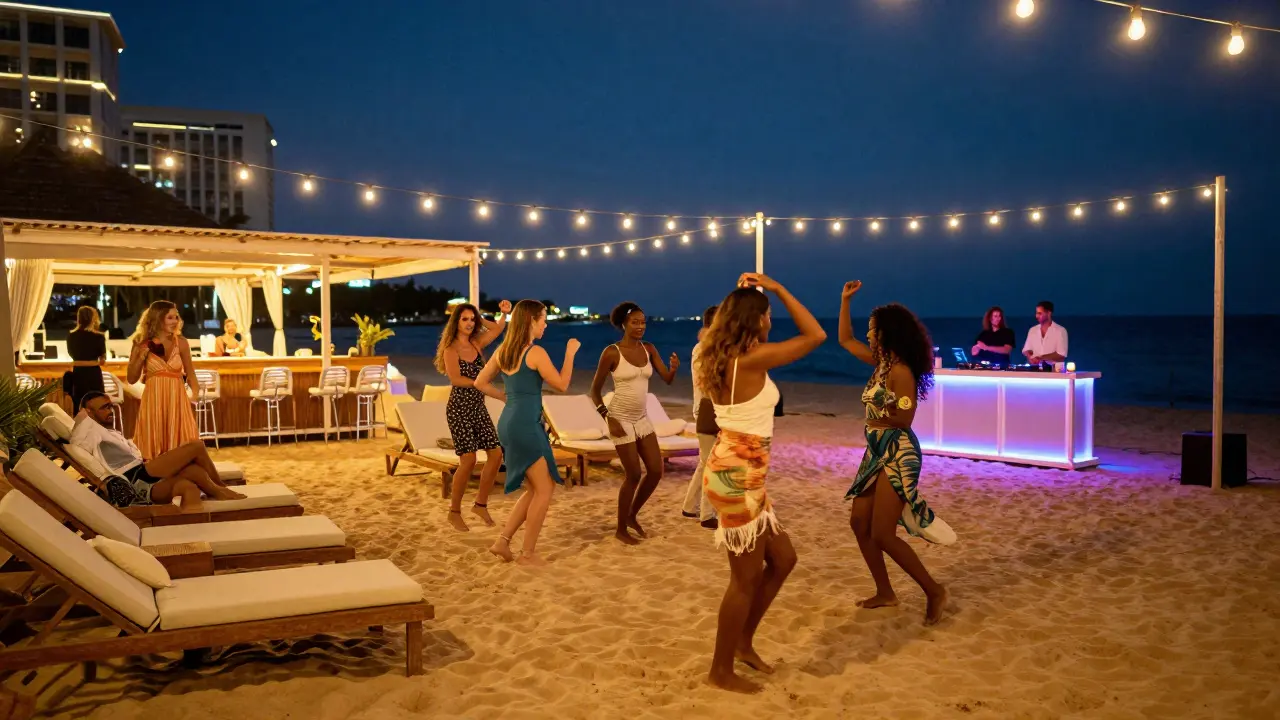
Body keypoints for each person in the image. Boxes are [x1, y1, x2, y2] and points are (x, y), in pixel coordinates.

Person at [698, 273, 825, 694]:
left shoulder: (716, 354)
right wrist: (779, 289)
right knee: (744, 579)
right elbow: (815, 334)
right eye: (768, 314)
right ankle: (720, 670)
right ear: (757, 321)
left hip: (739, 471)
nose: (772, 319)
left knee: (784, 560)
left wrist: (745, 297)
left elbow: (716, 329)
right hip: (738, 478)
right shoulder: (750, 360)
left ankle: (742, 643)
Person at [838, 281, 952, 626]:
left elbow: (904, 417)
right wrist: (845, 302)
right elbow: (845, 340)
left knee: (883, 533)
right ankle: (885, 591)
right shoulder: (881, 363)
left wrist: (877, 406)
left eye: (873, 331)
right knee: (859, 523)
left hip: (897, 452)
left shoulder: (900, 371)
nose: (869, 336)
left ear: (888, 334)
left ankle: (934, 590)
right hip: (875, 451)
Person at [474, 300, 580, 567]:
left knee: (535, 487)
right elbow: (562, 385)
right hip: (525, 424)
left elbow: (480, 382)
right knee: (545, 488)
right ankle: (528, 554)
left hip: (509, 420)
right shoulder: (535, 353)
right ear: (532, 320)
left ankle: (503, 542)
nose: (545, 324)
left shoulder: (504, 351)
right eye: (543, 319)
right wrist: (570, 353)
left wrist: (507, 398)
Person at [588, 302, 679, 544]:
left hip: (642, 418)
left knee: (656, 471)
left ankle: (631, 515)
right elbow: (594, 391)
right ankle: (620, 528)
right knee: (633, 475)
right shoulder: (611, 353)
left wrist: (673, 369)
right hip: (619, 418)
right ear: (624, 324)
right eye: (635, 322)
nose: (640, 326)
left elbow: (667, 380)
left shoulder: (648, 349)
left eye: (643, 322)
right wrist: (608, 417)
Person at [71, 391, 244, 511]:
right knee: (196, 446)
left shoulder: (108, 432)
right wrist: (82, 416)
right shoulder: (90, 431)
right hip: (135, 476)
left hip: (143, 475)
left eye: (110, 406)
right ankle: (221, 488)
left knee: (194, 473)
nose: (110, 411)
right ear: (88, 412)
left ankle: (211, 503)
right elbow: (77, 442)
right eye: (103, 408)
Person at [434, 299, 512, 532]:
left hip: (478, 408)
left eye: (472, 320)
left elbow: (498, 329)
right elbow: (456, 379)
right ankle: (454, 512)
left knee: (496, 455)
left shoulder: (477, 344)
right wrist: (483, 385)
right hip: (459, 408)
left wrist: (500, 314)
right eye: (464, 319)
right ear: (456, 322)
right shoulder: (451, 349)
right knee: (468, 460)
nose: (469, 323)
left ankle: (480, 504)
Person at [127, 300, 200, 460]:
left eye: (176, 317)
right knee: (153, 443)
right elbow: (131, 379)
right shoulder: (140, 342)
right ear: (158, 318)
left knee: (183, 444)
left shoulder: (181, 342)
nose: (175, 321)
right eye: (170, 318)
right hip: (153, 401)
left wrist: (193, 395)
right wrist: (141, 356)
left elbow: (191, 373)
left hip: (177, 400)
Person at [681, 304, 720, 529]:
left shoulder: (705, 347)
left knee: (704, 461)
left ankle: (689, 505)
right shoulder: (706, 349)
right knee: (710, 464)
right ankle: (707, 514)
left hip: (707, 408)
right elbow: (710, 382)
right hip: (709, 409)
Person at [66, 306, 107, 411]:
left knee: (79, 404)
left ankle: (80, 426)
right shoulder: (99, 337)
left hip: (78, 374)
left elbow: (71, 354)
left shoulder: (71, 336)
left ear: (78, 318)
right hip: (93, 374)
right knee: (97, 403)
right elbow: (103, 361)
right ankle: (97, 426)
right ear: (93, 318)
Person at [1022, 300, 1068, 365]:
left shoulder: (1060, 331)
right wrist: (1030, 357)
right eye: (1036, 313)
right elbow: (1027, 349)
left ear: (1049, 313)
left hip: (1054, 371)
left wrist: (1041, 358)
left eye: (1040, 313)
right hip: (1035, 370)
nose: (1036, 316)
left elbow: (1061, 355)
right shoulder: (1032, 330)